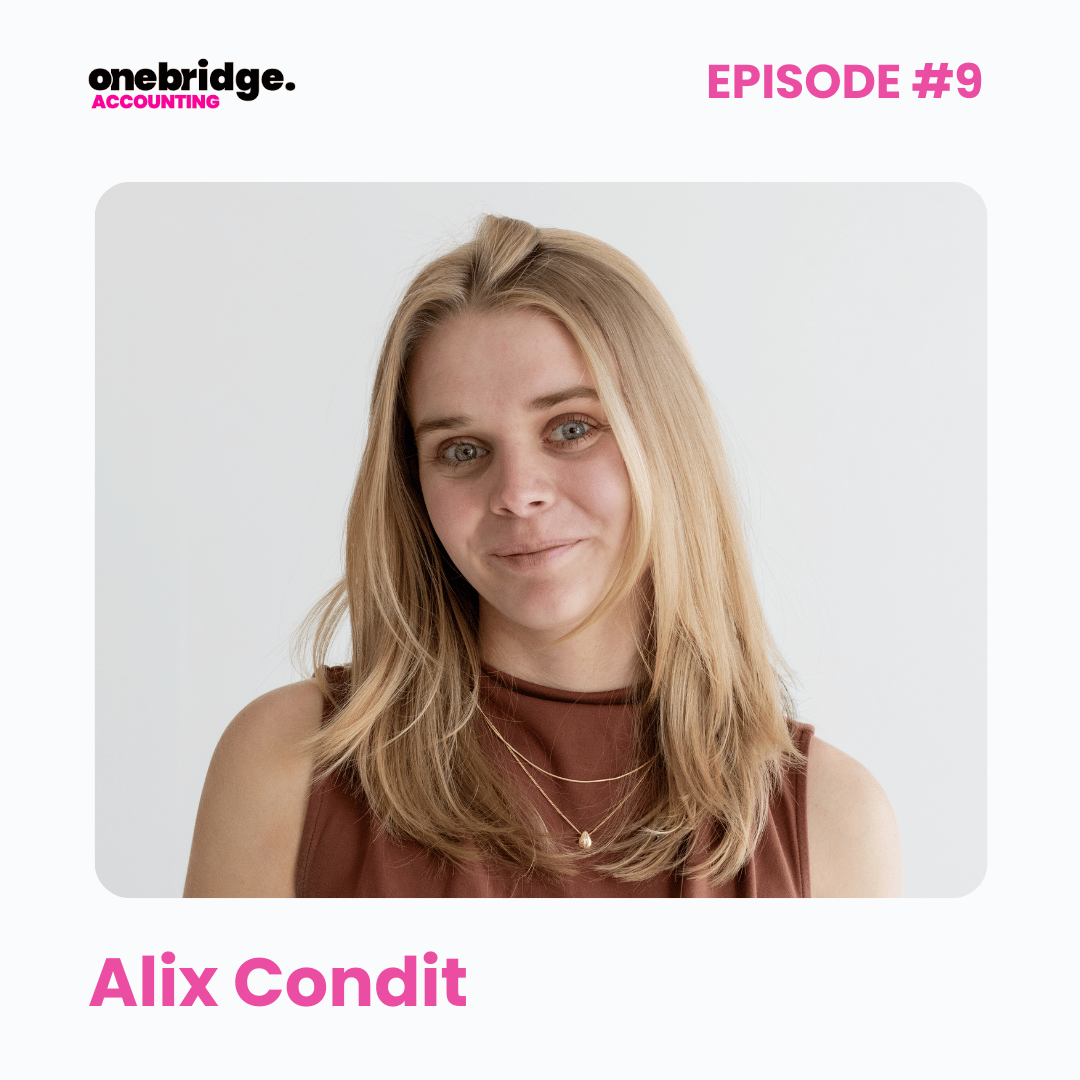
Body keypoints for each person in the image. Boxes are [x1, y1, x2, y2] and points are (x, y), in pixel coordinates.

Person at [184, 215, 902, 898]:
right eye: (462, 451)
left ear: (666, 443)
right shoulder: (290, 764)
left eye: (571, 428)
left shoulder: (831, 820)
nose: (517, 493)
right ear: (414, 487)